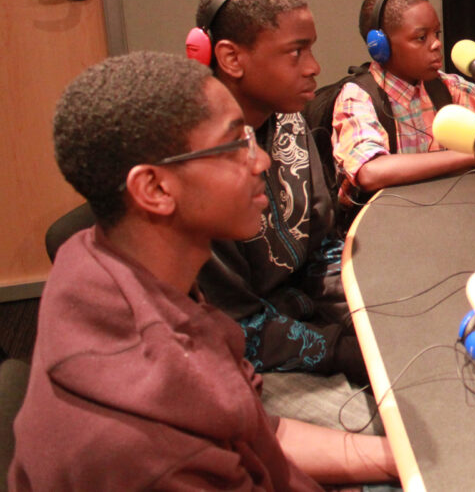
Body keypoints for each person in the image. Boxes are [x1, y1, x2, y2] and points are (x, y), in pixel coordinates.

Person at [8, 52, 398, 490]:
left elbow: (256, 432)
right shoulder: (154, 451)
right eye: (236, 145)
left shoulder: (99, 258)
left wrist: (400, 457)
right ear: (155, 188)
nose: (262, 162)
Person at [187, 0, 367, 388]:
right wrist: (343, 347)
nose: (314, 67)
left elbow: (321, 246)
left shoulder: (288, 120)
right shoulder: (195, 165)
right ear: (231, 59)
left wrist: (378, 300)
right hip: (243, 357)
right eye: (295, 52)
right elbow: (233, 325)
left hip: (304, 314)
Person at [331, 0, 475, 215]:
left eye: (436, 34)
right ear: (381, 48)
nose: (436, 44)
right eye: (421, 37)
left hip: (445, 215)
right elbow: (370, 171)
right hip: (386, 227)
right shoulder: (357, 97)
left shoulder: (445, 86)